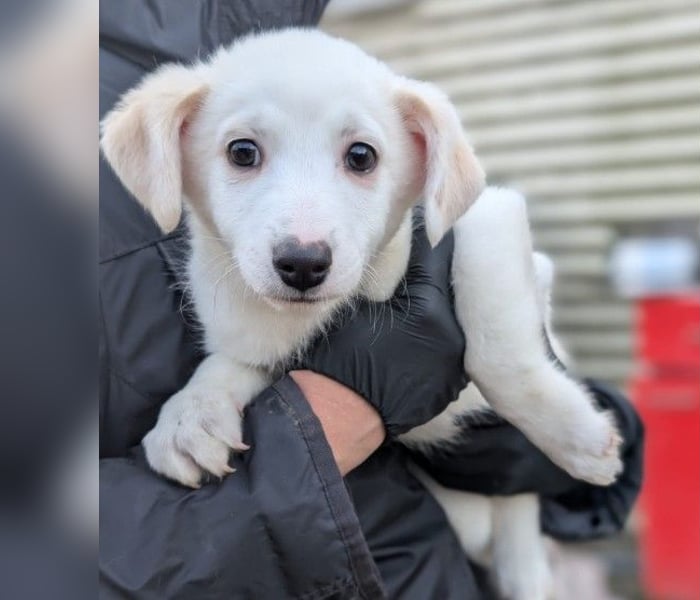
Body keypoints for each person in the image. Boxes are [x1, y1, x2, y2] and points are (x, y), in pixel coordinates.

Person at [99, 2, 644, 598]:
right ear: (172, 148)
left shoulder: (291, 49)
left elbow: (496, 223)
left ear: (418, 157)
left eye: (360, 158)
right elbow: (254, 355)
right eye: (243, 154)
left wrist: (519, 394)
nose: (304, 244)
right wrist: (265, 418)